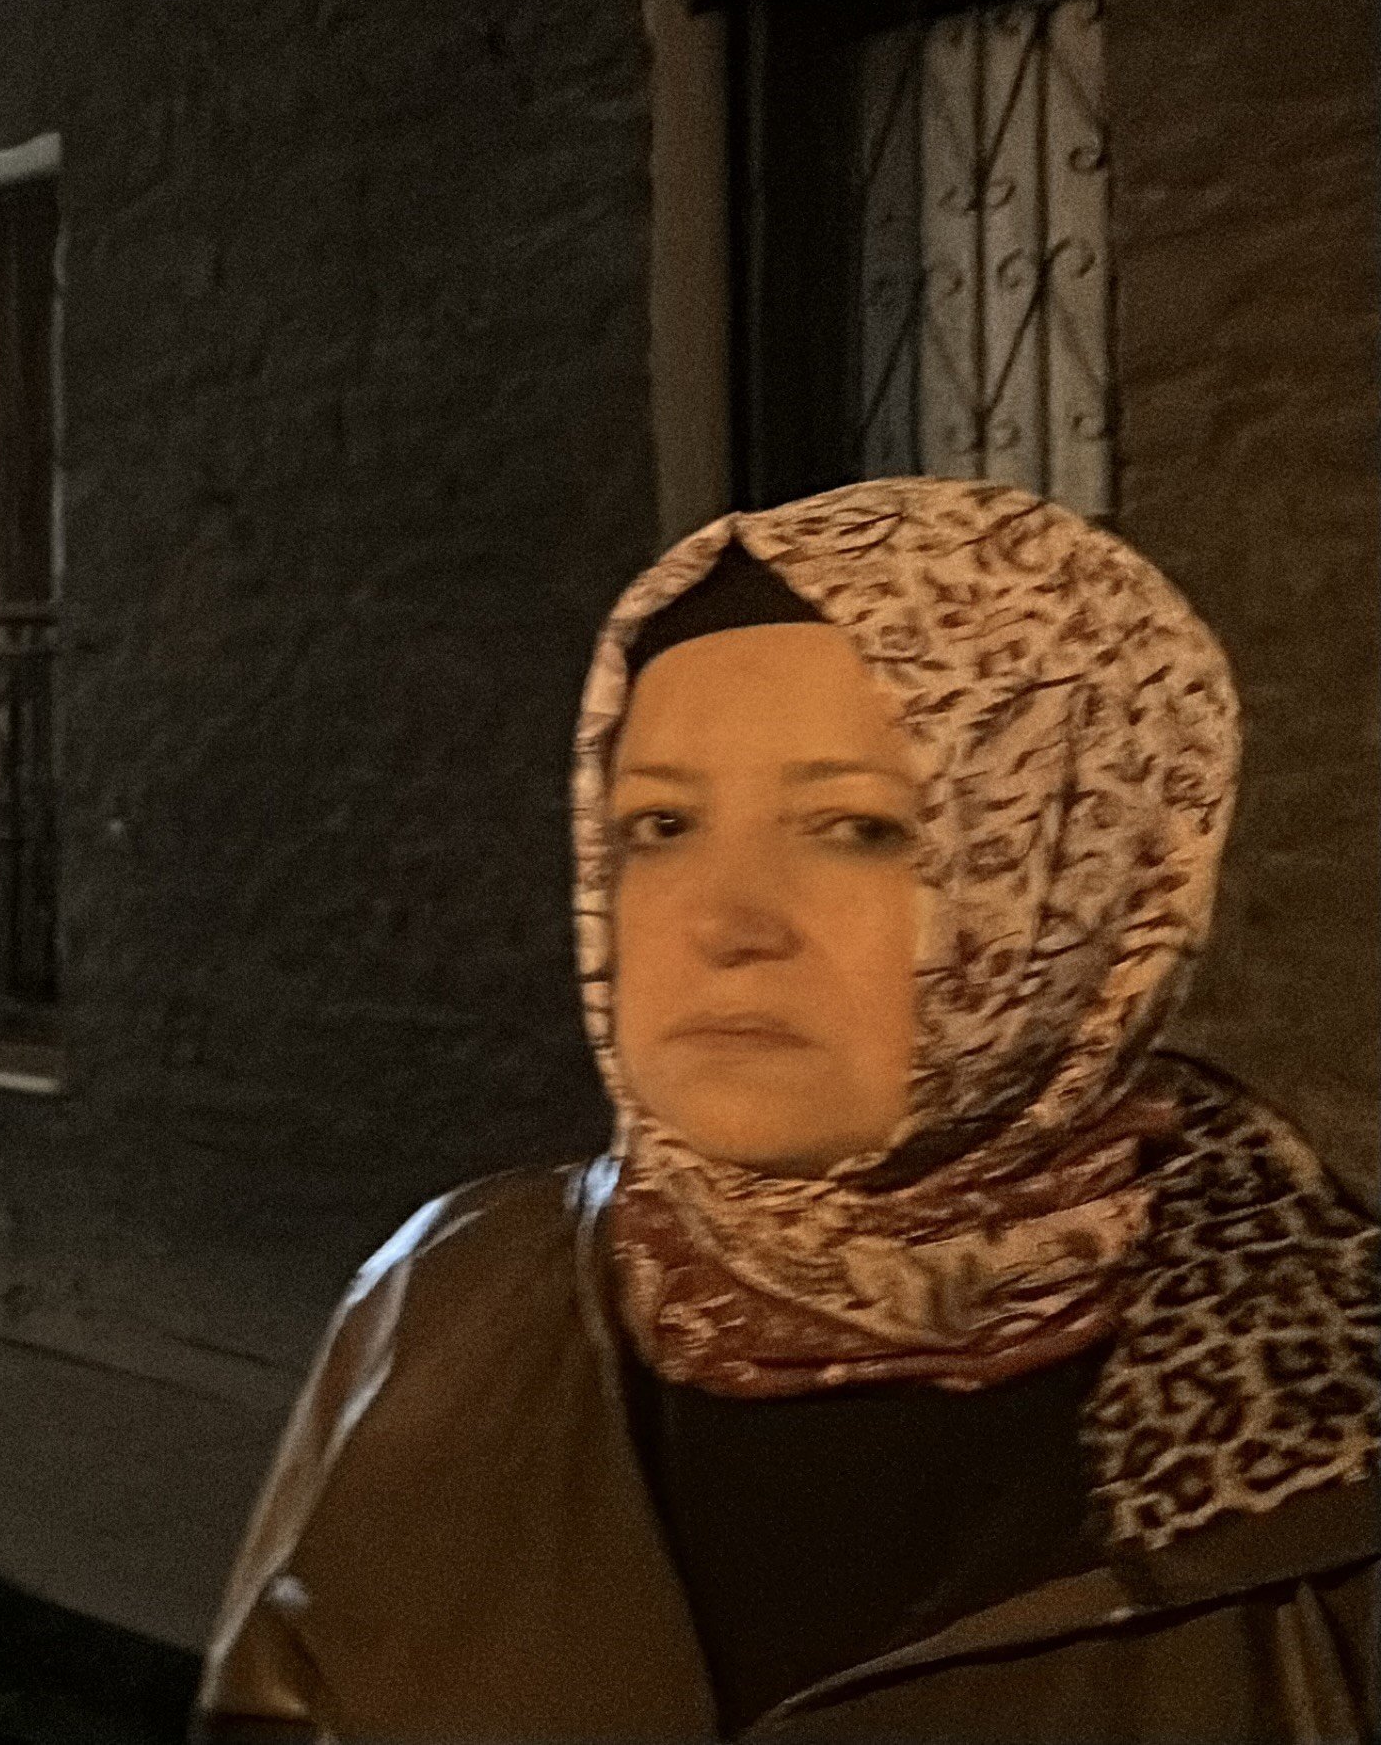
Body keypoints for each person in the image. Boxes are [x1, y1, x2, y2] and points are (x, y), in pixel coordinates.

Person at [196, 478, 1375, 1741]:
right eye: (661, 823)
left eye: (857, 827)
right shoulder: (445, 1300)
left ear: (1082, 863)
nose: (724, 922)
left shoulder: (1327, 1423)